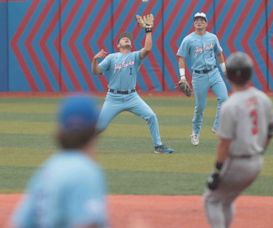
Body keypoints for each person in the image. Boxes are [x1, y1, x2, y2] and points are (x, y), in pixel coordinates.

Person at [203, 52, 273, 228]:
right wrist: (259, 151)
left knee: (211, 200)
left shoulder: (230, 105)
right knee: (226, 200)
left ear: (227, 75)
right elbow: (271, 131)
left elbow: (224, 143)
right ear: (250, 73)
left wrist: (217, 171)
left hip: (236, 163)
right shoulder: (262, 98)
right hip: (257, 162)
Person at [12, 94, 108, 227]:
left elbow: (20, 223)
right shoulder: (85, 170)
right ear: (93, 131)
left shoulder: (47, 169)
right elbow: (87, 224)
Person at [91, 14, 174, 154]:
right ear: (118, 45)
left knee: (151, 116)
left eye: (128, 39)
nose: (126, 39)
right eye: (123, 39)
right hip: (113, 98)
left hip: (132, 97)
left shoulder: (135, 56)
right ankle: (81, 146)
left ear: (131, 44)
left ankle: (158, 146)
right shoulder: (112, 57)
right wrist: (94, 59)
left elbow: (147, 49)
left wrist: (148, 29)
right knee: (99, 127)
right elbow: (96, 71)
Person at [177, 12, 228, 146]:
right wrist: (182, 77)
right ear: (194, 24)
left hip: (214, 72)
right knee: (200, 107)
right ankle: (195, 132)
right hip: (199, 76)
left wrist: (225, 70)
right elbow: (181, 57)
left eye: (202, 20)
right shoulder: (188, 39)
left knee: (224, 98)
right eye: (197, 20)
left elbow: (219, 53)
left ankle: (217, 127)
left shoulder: (212, 38)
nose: (199, 22)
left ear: (206, 23)